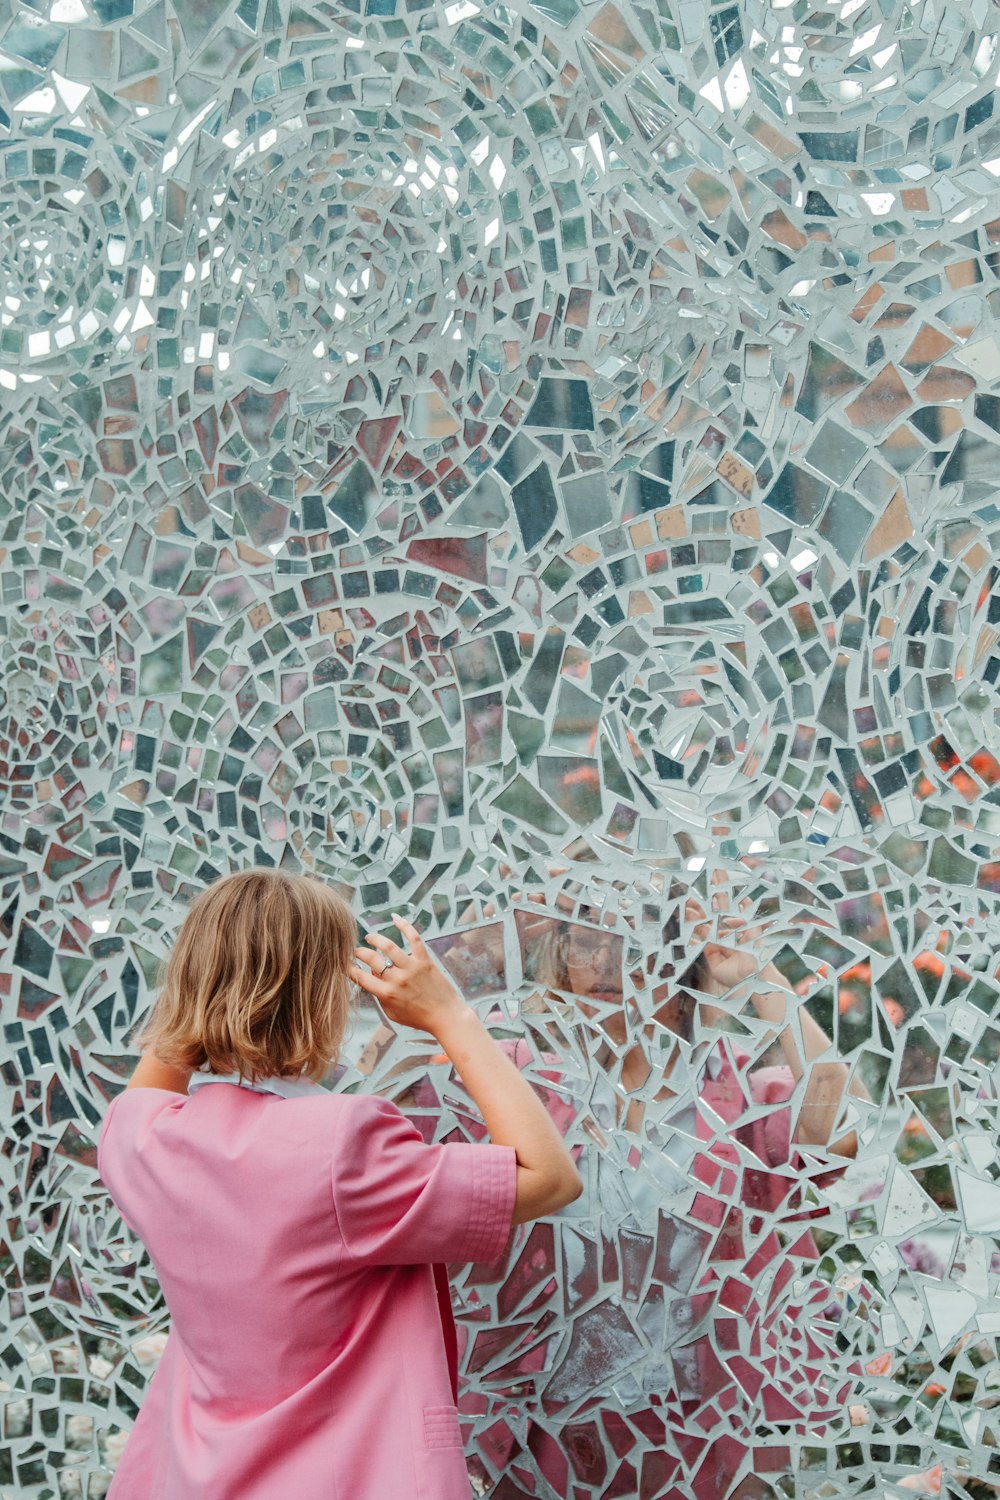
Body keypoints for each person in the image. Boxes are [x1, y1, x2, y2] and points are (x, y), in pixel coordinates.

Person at [96, 867, 582, 1500]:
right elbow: (549, 1178)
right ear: (323, 995)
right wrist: (451, 1015)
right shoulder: (340, 1146)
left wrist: (210, 987)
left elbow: (158, 1074)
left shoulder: (141, 1137)